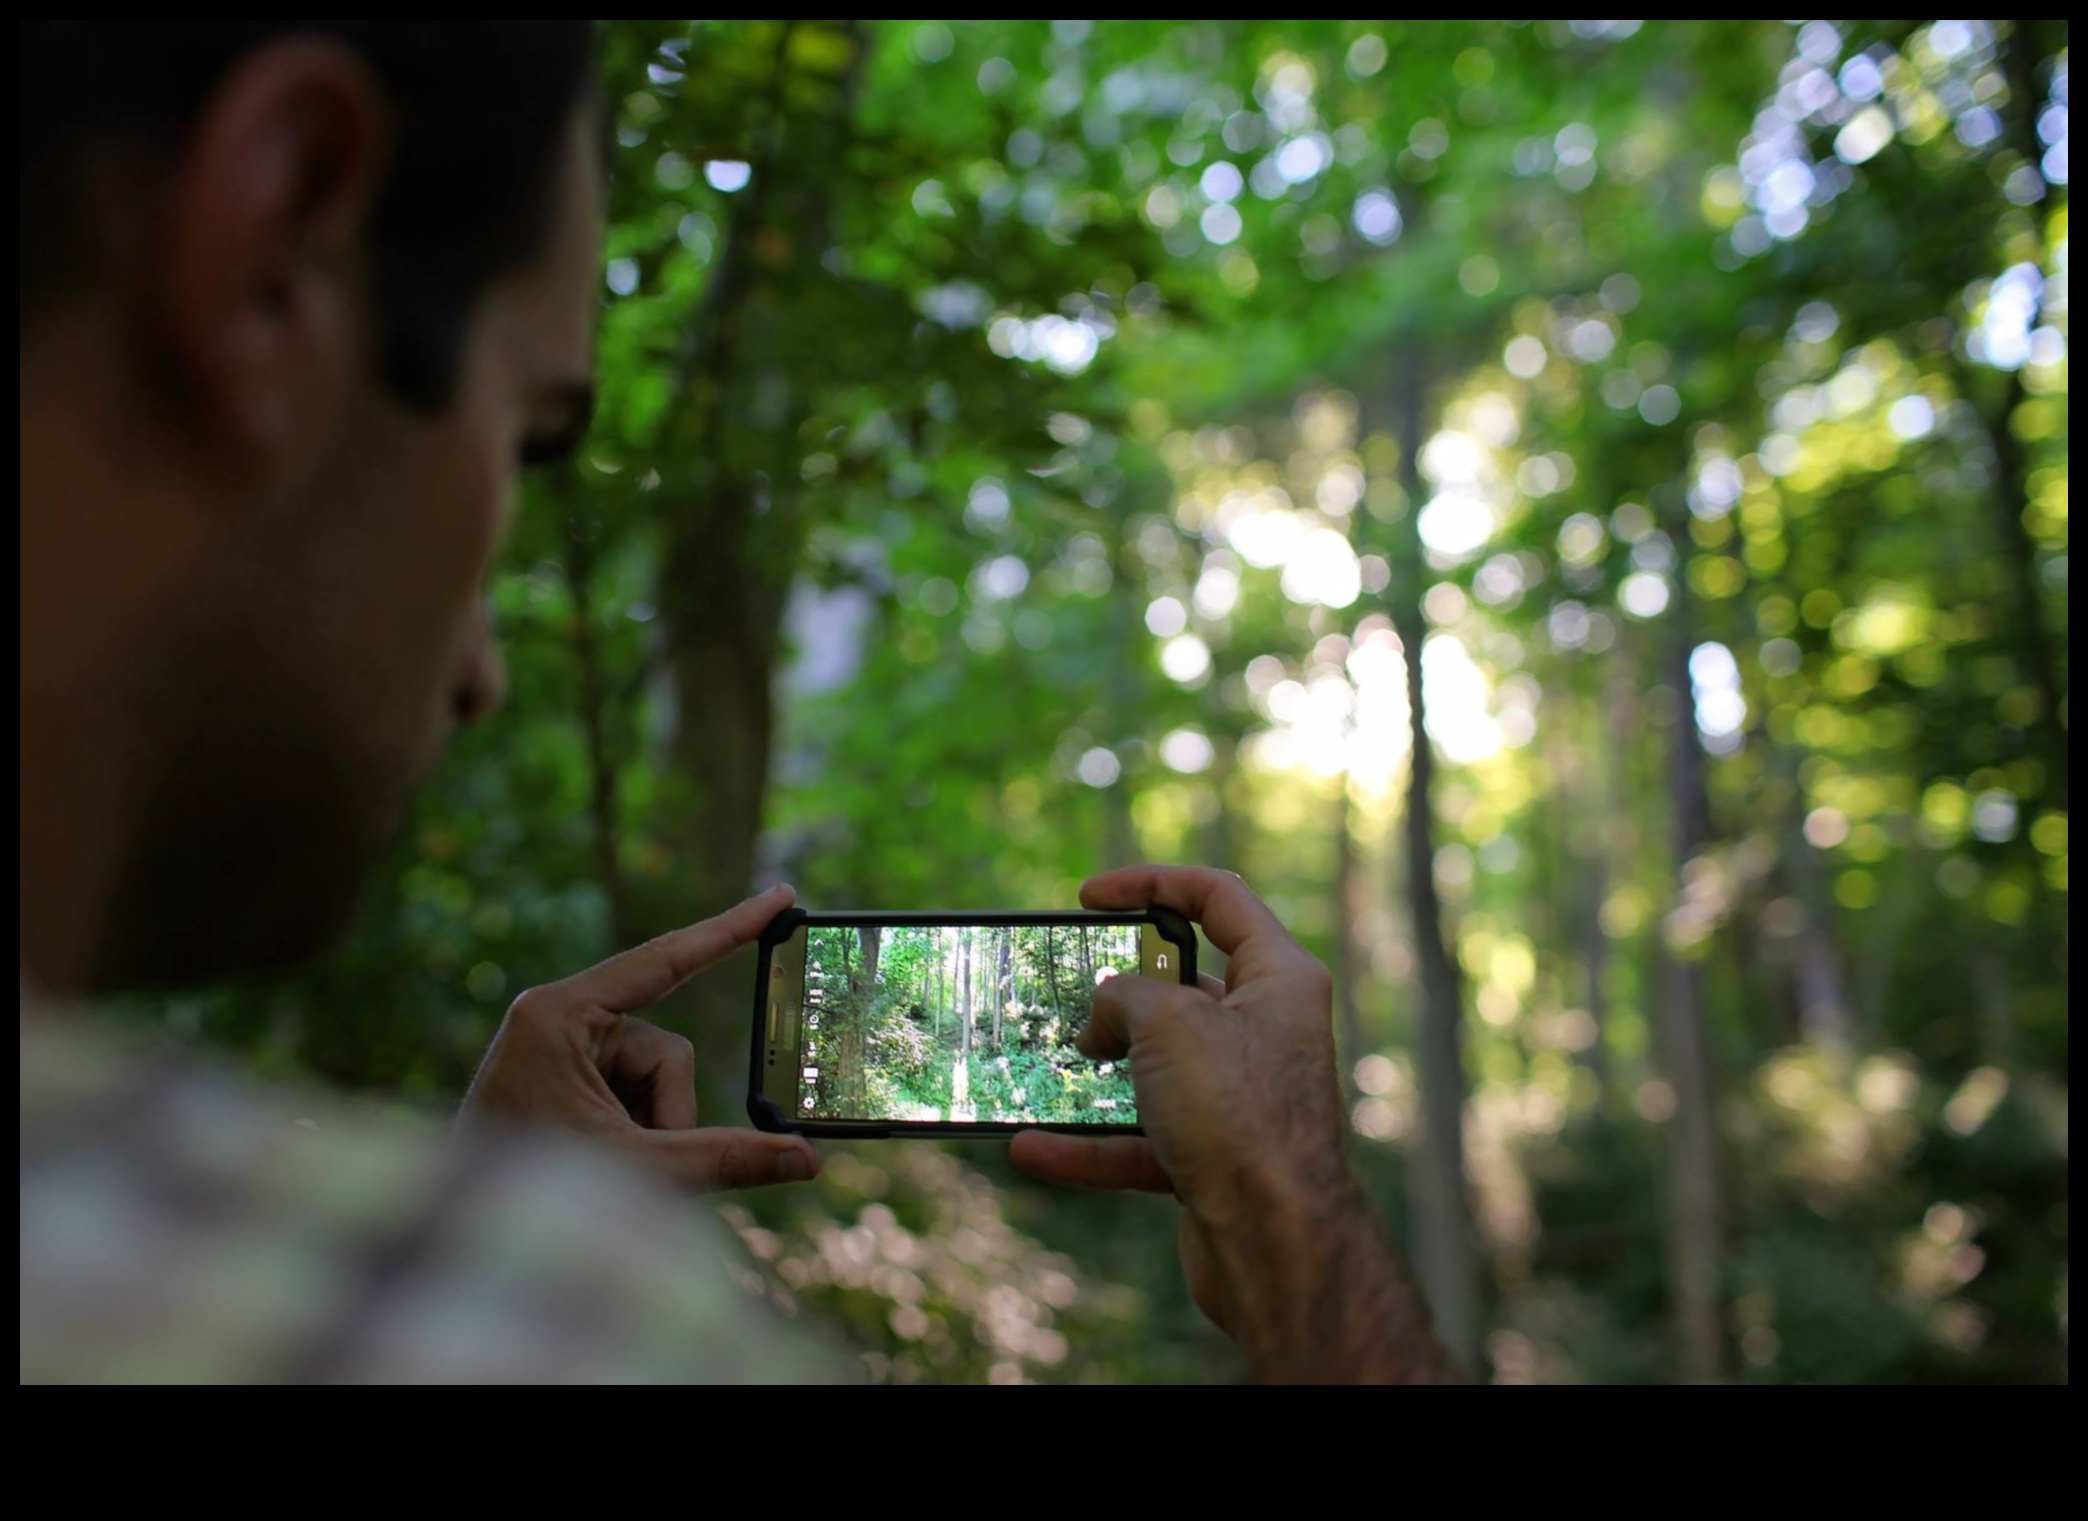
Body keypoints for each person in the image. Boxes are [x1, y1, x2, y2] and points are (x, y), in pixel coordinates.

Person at [20, 21, 1458, 1385]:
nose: (483, 667)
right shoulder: (555, 1324)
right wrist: (1287, 1215)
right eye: (526, 437)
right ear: (277, 242)